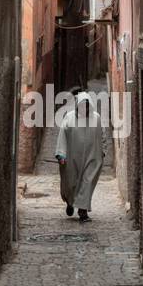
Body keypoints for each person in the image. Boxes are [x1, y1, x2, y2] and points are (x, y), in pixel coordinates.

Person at [55, 90, 105, 221]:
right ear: (77, 105)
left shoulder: (97, 118)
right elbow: (63, 136)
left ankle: (83, 212)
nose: (84, 108)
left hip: (91, 158)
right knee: (71, 184)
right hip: (72, 158)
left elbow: (101, 136)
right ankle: (70, 203)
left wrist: (102, 151)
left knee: (87, 183)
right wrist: (61, 154)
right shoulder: (69, 117)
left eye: (86, 106)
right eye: (82, 105)